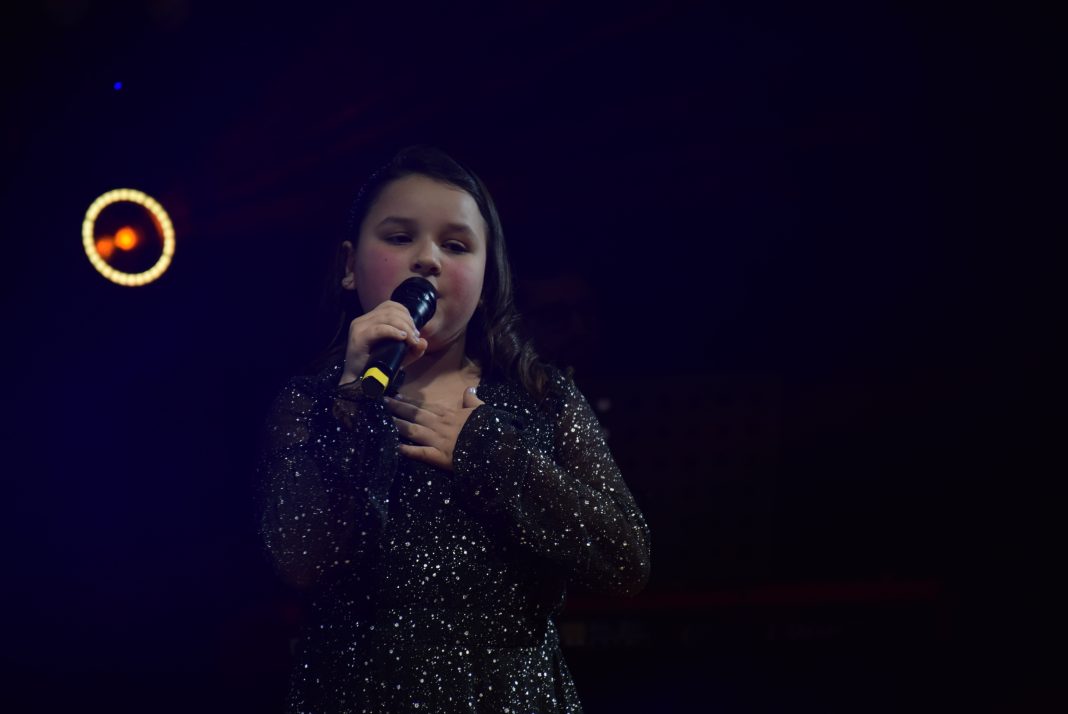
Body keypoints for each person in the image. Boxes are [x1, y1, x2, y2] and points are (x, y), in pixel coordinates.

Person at [256, 145, 651, 713]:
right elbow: (299, 558)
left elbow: (625, 561)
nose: (427, 260)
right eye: (399, 238)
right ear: (349, 264)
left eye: (456, 245)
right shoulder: (312, 403)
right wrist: (352, 402)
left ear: (487, 278)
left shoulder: (541, 399)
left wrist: (488, 452)